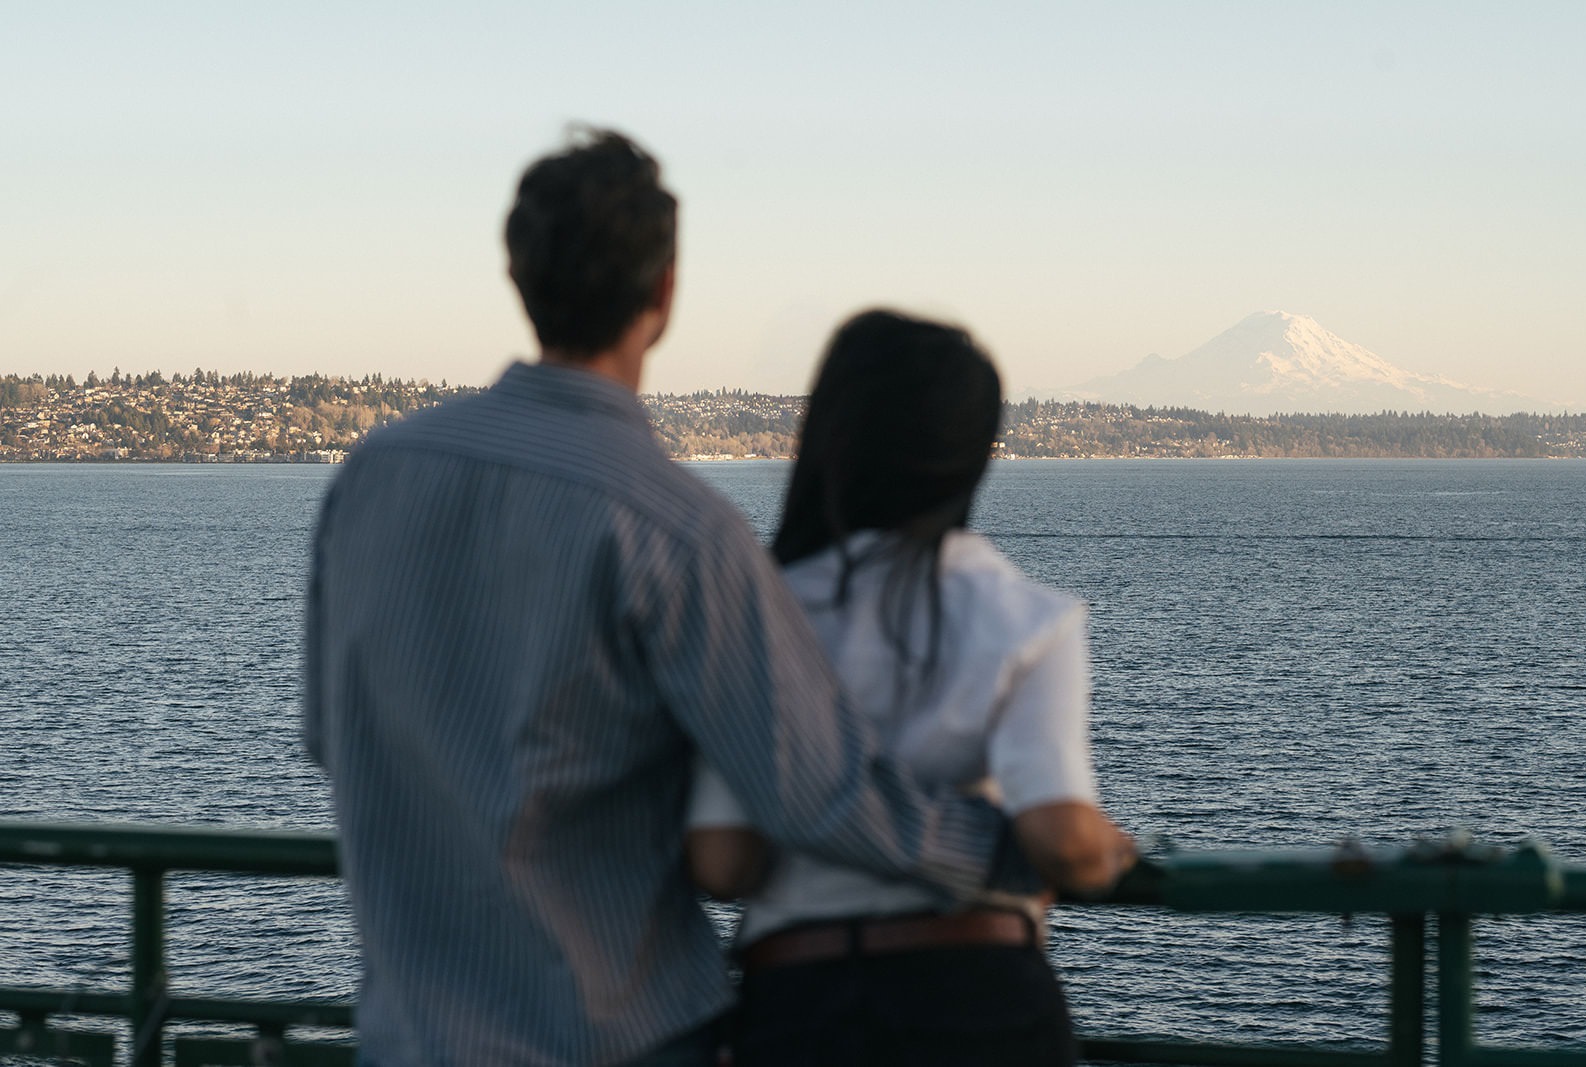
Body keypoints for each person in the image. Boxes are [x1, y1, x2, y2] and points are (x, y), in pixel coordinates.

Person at [302, 129, 1095, 1067]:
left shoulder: (370, 478)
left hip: (411, 1038)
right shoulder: (675, 526)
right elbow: (814, 790)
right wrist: (1008, 854)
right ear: (665, 293)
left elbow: (326, 732)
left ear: (516, 272)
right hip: (617, 1038)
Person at [687, 309, 1136, 1066]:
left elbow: (722, 861)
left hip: (800, 1008)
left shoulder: (755, 616)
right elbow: (1064, 842)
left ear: (832, 434)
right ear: (971, 454)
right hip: (985, 1001)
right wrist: (1110, 850)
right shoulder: (1029, 619)